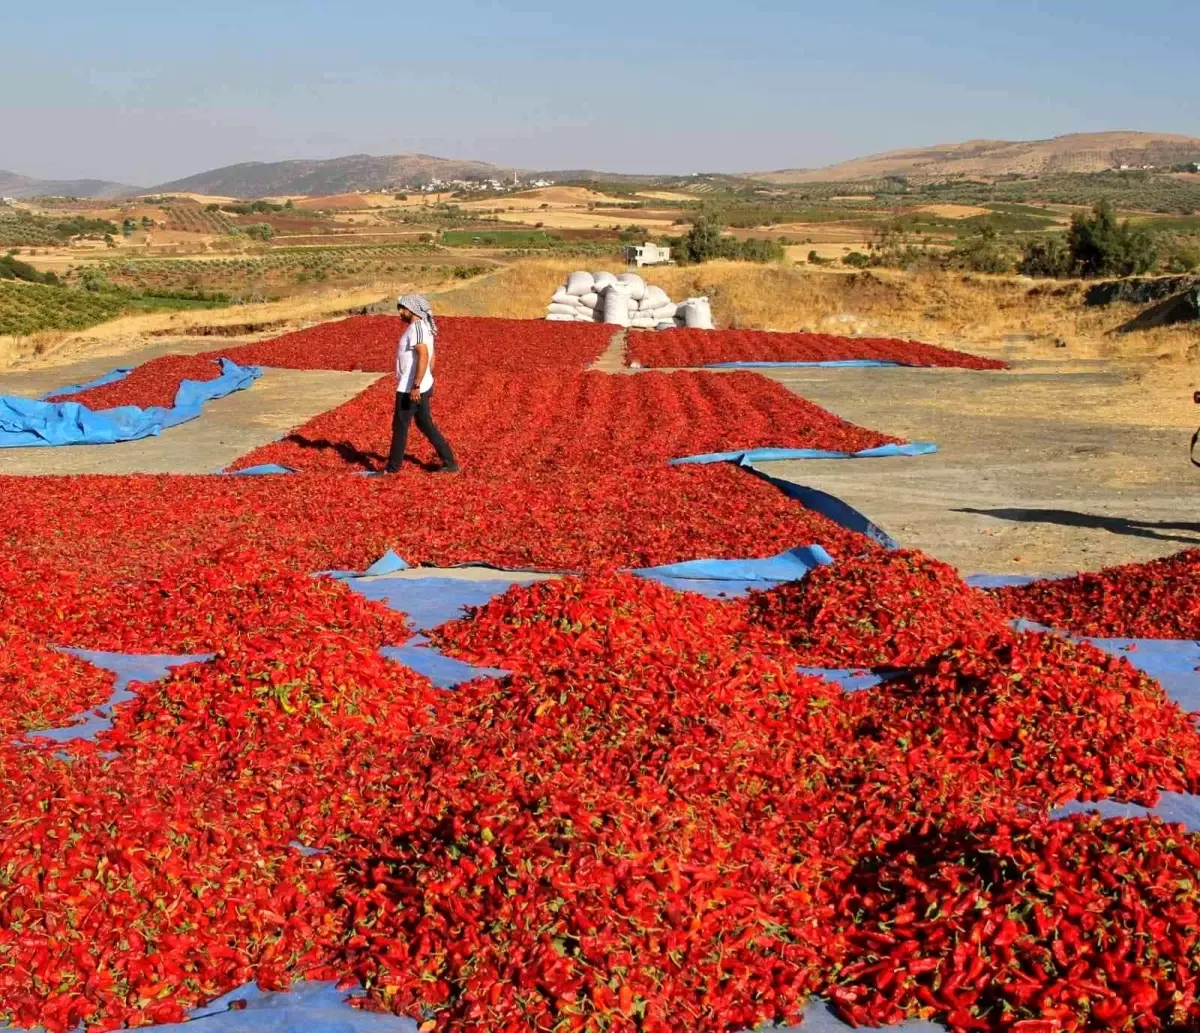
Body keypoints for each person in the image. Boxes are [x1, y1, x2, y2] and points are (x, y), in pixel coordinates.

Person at [385, 293, 460, 474]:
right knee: (425, 423)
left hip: (410, 388)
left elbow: (424, 354)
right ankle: (450, 463)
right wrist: (427, 378)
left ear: (411, 310)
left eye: (402, 309)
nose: (400, 313)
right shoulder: (424, 327)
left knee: (400, 426)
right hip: (418, 386)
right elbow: (432, 356)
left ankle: (392, 469)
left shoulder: (417, 328)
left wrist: (417, 384)